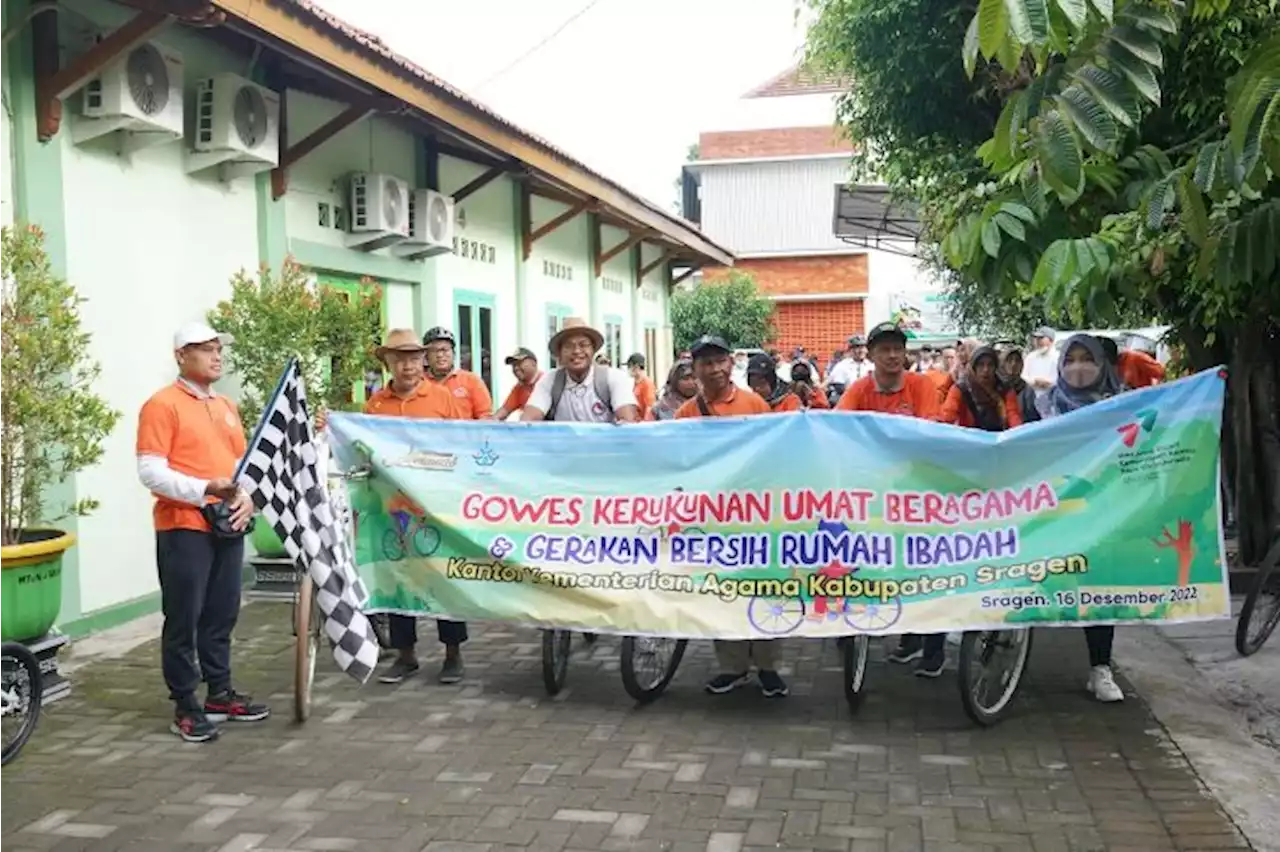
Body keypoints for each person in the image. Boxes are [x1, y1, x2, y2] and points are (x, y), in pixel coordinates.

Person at [136, 322, 266, 743]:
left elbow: (239, 465)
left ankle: (220, 693)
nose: (216, 356)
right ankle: (185, 705)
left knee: (221, 613)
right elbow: (151, 471)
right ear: (180, 356)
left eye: (217, 349)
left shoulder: (226, 405)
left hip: (226, 523)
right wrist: (204, 490)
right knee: (184, 619)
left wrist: (246, 496)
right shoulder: (162, 405)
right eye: (204, 349)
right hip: (184, 526)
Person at [675, 335, 784, 697]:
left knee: (763, 588)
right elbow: (678, 461)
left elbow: (772, 456)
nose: (715, 369)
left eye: (720, 361)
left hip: (755, 515)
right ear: (695, 370)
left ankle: (768, 667)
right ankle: (733, 667)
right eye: (706, 363)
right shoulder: (686, 413)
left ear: (731, 364)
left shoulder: (754, 404)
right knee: (724, 591)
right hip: (712, 518)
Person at [360, 329, 470, 685]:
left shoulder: (440, 398)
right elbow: (361, 447)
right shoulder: (375, 404)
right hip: (390, 506)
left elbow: (461, 444)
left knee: (443, 575)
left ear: (422, 360)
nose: (407, 366)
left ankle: (453, 654)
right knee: (396, 577)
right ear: (388, 363)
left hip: (436, 505)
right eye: (399, 359)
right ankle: (405, 655)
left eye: (412, 358)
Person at [836, 322, 946, 676]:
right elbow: (837, 428)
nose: (893, 355)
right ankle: (900, 636)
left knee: (927, 568)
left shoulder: (921, 385)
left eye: (898, 348)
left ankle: (934, 648)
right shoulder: (859, 389)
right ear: (870, 355)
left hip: (917, 495)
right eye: (884, 349)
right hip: (872, 494)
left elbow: (928, 434)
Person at [1046, 334, 1126, 702]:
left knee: (1098, 586)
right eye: (1071, 359)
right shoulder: (1041, 404)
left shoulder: (1123, 405)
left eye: (1087, 358)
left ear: (1102, 364)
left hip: (1100, 511)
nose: (1078, 367)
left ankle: (1100, 668)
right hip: (1046, 510)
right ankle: (1002, 653)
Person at [521, 317, 639, 423]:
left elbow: (628, 423)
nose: (577, 351)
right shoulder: (550, 381)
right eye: (568, 346)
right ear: (560, 354)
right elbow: (528, 422)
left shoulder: (613, 378)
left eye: (583, 345)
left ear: (593, 350)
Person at [941, 345, 1024, 431]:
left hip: (999, 438)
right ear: (974, 367)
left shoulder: (1006, 389)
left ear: (995, 368)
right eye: (981, 365)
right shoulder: (960, 389)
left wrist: (1018, 433)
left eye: (990, 365)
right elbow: (948, 416)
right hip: (970, 439)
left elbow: (1013, 415)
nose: (985, 369)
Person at [422, 326, 493, 420]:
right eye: (434, 351)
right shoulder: (419, 382)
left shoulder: (472, 380)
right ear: (426, 356)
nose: (440, 355)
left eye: (444, 350)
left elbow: (485, 416)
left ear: (454, 354)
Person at [494, 347, 542, 421]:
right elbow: (504, 411)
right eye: (513, 365)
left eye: (520, 363)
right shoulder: (519, 388)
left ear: (533, 364)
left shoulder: (547, 381)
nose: (516, 368)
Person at [999, 347, 1042, 424]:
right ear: (1002, 363)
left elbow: (1034, 419)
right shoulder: (995, 386)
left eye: (1017, 360)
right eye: (1009, 360)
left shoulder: (1027, 390)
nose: (1013, 364)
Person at [1022, 327, 1058, 415]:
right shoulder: (1030, 357)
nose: (1038, 342)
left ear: (1051, 340)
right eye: (1036, 339)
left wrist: (1049, 384)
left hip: (1053, 401)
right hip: (1032, 400)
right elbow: (1023, 376)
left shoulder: (1058, 358)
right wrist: (1034, 382)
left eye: (1041, 338)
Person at [627, 353, 658, 417]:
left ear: (636, 367)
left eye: (629, 366)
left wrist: (645, 423)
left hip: (643, 423)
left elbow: (649, 406)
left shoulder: (647, 384)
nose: (628, 369)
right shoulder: (636, 384)